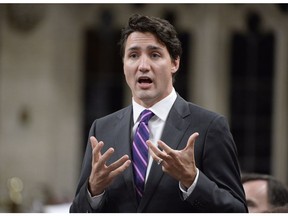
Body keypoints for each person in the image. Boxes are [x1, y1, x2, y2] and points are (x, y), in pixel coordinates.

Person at [70, 14, 247, 213]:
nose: (143, 66)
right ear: (123, 64)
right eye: (133, 55)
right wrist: (93, 190)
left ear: (175, 63)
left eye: (154, 55)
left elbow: (237, 210)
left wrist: (193, 180)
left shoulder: (209, 127)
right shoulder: (102, 129)